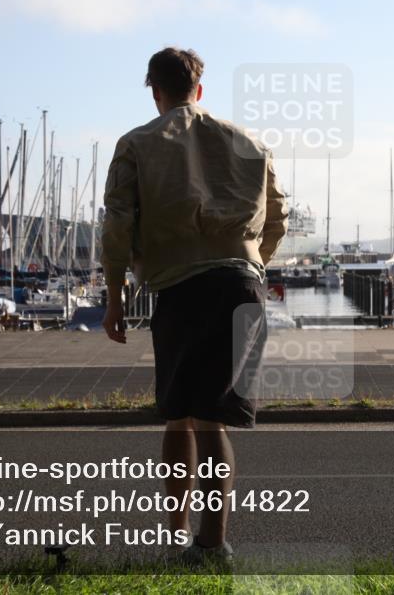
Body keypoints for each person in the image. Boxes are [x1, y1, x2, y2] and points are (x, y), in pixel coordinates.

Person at [100, 47, 289, 564]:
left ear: (155, 92)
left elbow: (116, 225)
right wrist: (251, 265)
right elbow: (278, 219)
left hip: (182, 290)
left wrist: (114, 298)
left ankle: (184, 538)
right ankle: (211, 544)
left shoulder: (137, 143)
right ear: (199, 90)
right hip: (241, 286)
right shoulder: (249, 142)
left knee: (180, 417)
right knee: (213, 420)